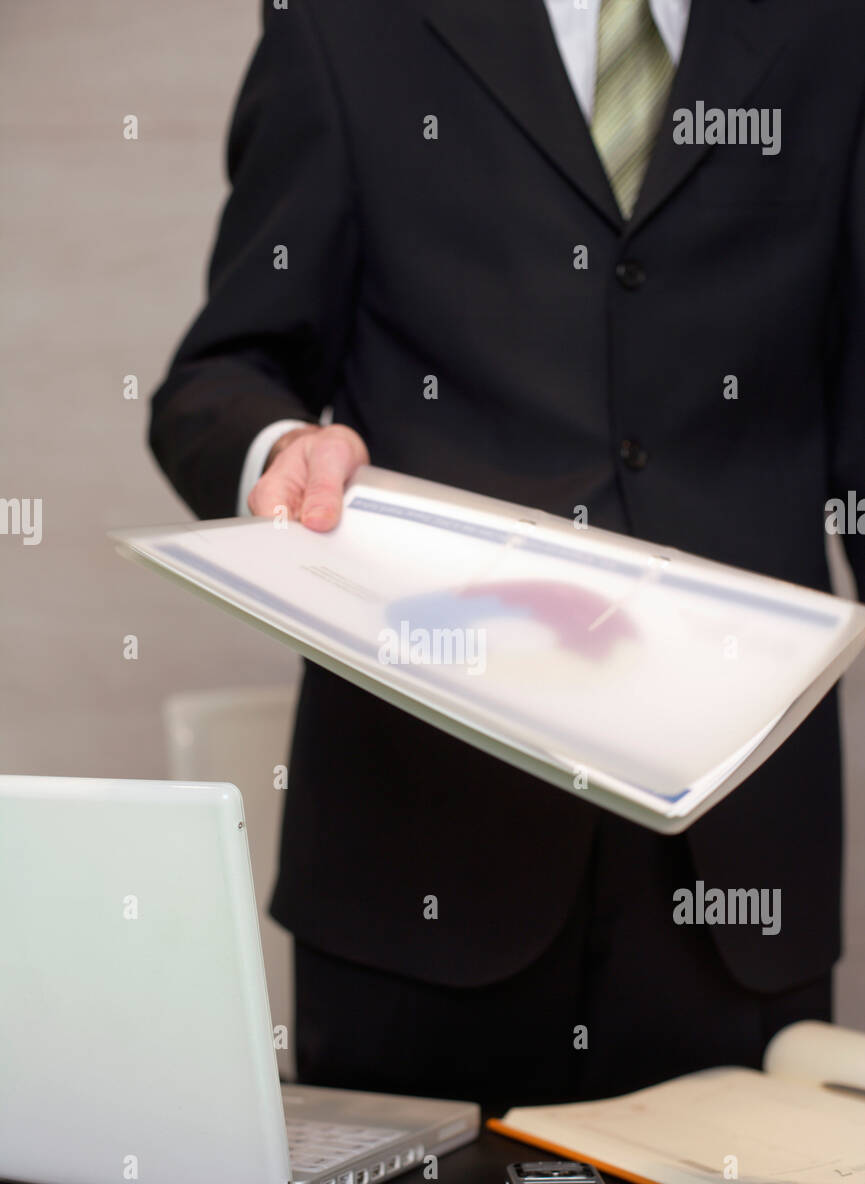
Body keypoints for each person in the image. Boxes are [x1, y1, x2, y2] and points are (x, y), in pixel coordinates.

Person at [149, 0, 864, 1110]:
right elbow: (222, 372)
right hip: (418, 860)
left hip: (738, 870)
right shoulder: (347, 28)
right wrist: (283, 450)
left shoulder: (834, 30)